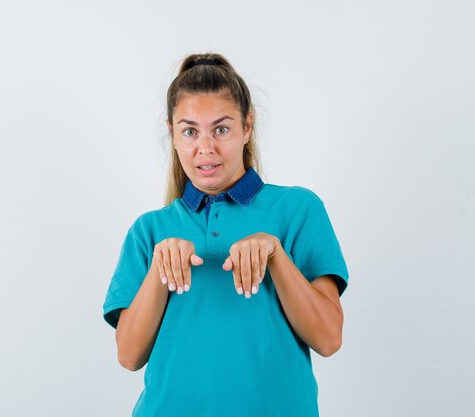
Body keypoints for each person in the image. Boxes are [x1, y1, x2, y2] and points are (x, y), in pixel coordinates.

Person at [102, 52, 349, 417]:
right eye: (190, 131)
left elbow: (329, 339)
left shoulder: (298, 209)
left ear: (247, 127)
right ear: (172, 133)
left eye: (221, 129)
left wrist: (277, 256)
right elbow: (128, 356)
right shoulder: (149, 230)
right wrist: (159, 269)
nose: (206, 148)